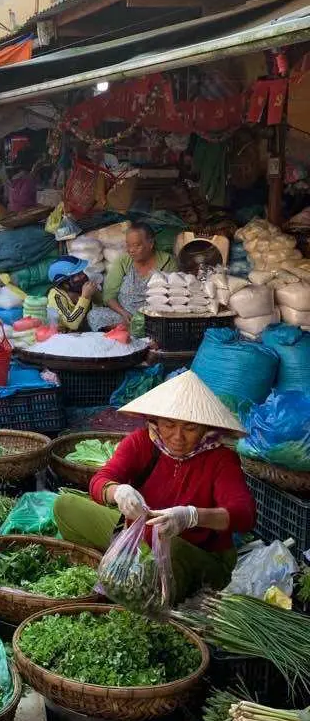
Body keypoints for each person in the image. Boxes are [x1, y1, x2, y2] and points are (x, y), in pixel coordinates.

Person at [56, 371, 255, 602]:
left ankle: (144, 587)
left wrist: (191, 516)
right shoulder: (142, 442)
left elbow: (244, 515)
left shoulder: (221, 459)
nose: (178, 436)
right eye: (169, 425)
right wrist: (118, 492)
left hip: (195, 553)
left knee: (170, 550)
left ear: (205, 428)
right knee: (65, 506)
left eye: (190, 428)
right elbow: (100, 481)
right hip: (141, 535)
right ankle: (119, 568)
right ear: (156, 421)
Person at [103, 224, 177, 329]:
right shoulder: (123, 261)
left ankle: (130, 330)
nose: (131, 250)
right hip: (124, 316)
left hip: (154, 317)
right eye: (128, 245)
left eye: (137, 245)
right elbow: (109, 295)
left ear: (151, 244)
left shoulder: (168, 261)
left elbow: (175, 296)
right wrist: (123, 312)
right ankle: (125, 329)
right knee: (94, 315)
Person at [47, 257, 99, 331]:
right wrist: (85, 297)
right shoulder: (56, 296)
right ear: (65, 283)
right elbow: (72, 323)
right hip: (62, 335)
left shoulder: (79, 289)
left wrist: (95, 292)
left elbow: (100, 302)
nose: (83, 276)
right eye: (77, 275)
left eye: (82, 272)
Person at [3, 149, 38, 213]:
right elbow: (24, 200)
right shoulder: (28, 179)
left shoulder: (13, 177)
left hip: (12, 211)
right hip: (25, 213)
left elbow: (7, 197)